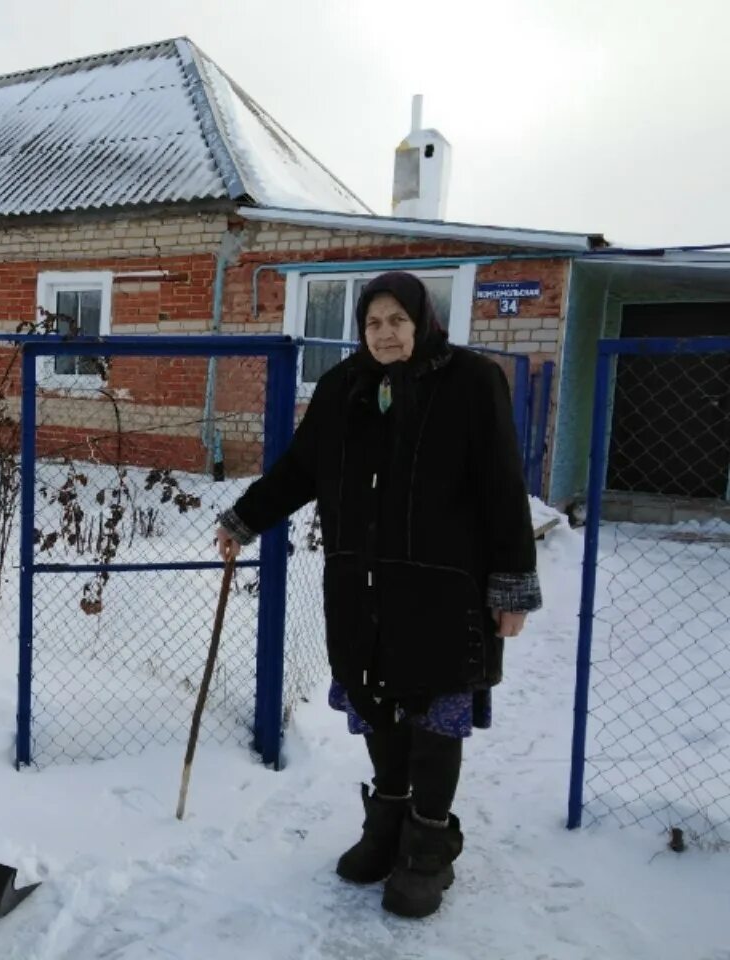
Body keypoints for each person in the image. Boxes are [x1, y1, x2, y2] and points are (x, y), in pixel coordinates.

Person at [215, 271, 541, 919]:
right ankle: (385, 824)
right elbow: (300, 469)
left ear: (422, 320)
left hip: (444, 592)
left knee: (433, 721)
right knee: (377, 709)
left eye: (397, 320)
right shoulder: (343, 388)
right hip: (360, 588)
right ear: (360, 330)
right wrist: (244, 519)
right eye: (373, 322)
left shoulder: (472, 382)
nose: (386, 333)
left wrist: (511, 584)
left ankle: (426, 849)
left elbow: (503, 484)